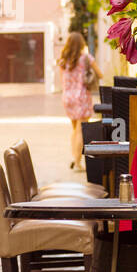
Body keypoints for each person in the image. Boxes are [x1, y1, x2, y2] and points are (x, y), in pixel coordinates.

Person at [58, 31, 101, 170]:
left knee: (75, 129)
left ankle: (74, 158)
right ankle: (77, 162)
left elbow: (62, 81)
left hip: (67, 96)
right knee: (81, 130)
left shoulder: (63, 60)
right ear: (82, 43)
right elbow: (100, 74)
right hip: (81, 96)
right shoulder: (86, 58)